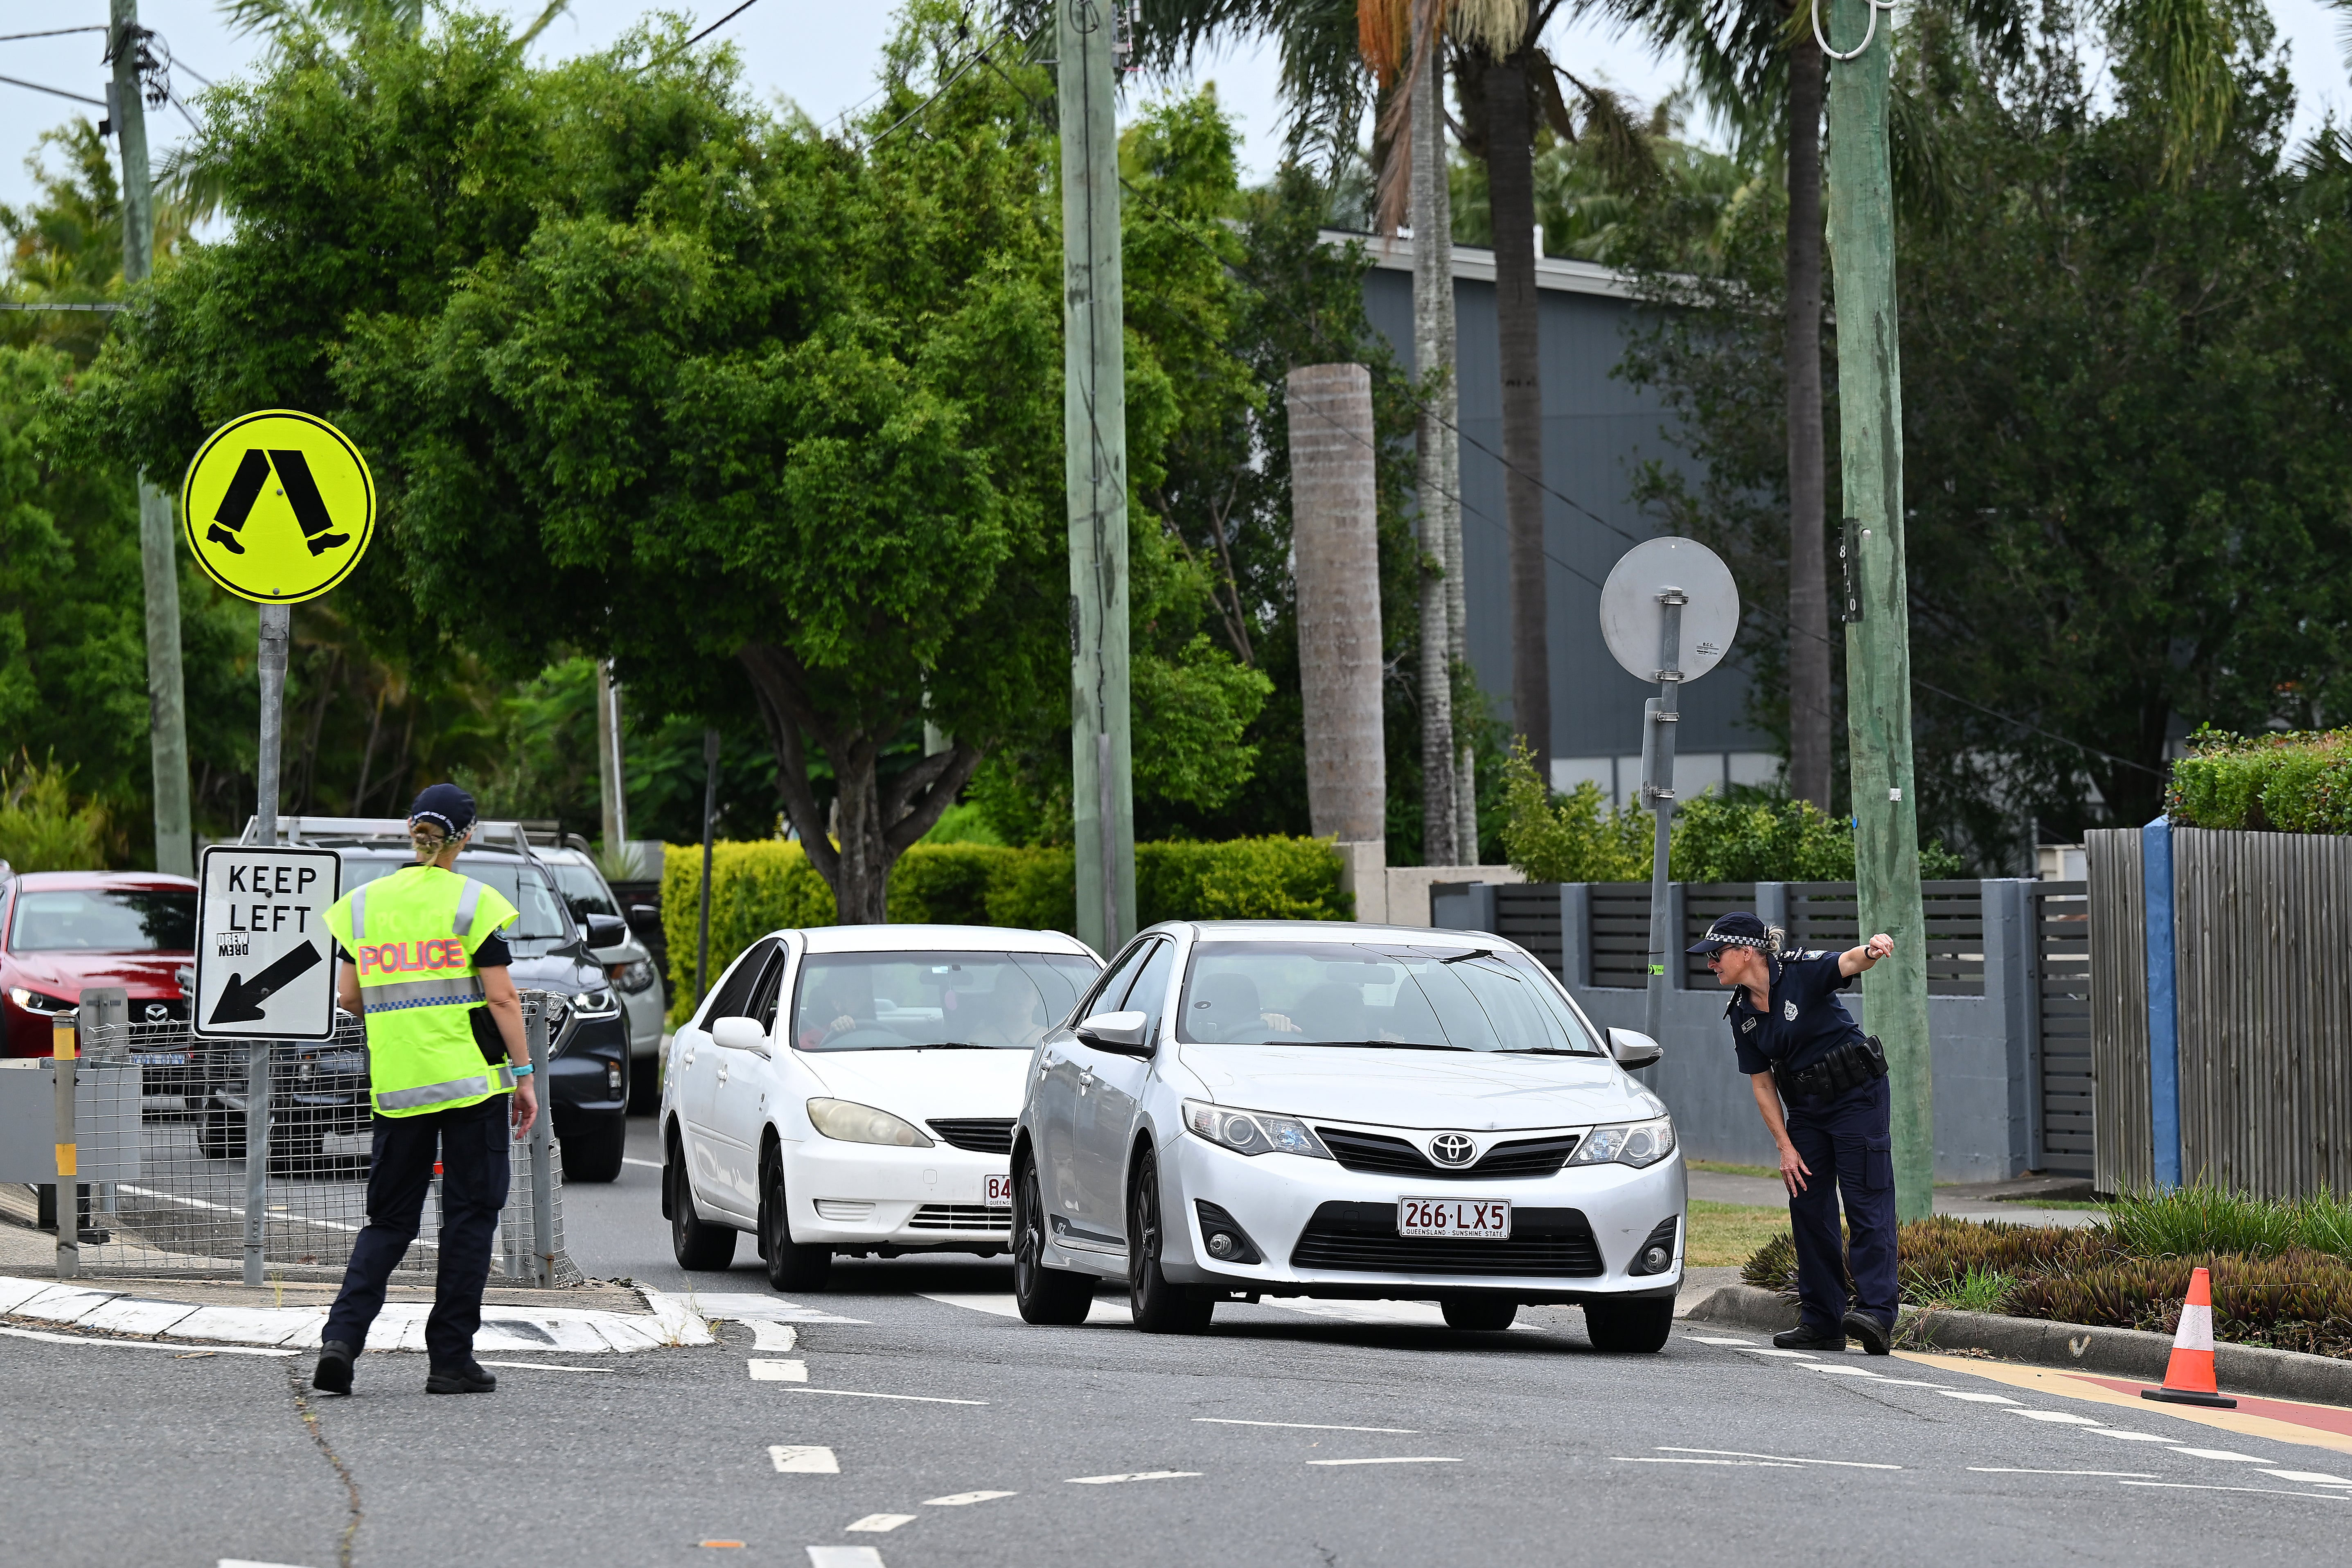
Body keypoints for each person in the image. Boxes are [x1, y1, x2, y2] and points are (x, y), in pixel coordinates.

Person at [311, 784, 539, 1396]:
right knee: (468, 1217)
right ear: (466, 836)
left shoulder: (363, 906)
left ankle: (342, 1339)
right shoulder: (474, 903)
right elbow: (503, 997)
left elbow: (350, 997)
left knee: (387, 1220)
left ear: (412, 830)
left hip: (398, 1087)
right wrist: (523, 1076)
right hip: (471, 1086)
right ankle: (450, 1359)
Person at [1688, 911, 1898, 1355]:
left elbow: (1848, 963)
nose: (1710, 964)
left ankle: (1877, 1314)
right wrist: (1784, 1146)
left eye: (1716, 954)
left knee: (1865, 1201)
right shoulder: (1741, 1013)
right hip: (1805, 1110)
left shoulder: (1801, 971)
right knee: (1807, 1206)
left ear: (1746, 952)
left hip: (1856, 1097)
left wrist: (1873, 948)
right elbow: (1761, 1082)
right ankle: (1823, 1322)